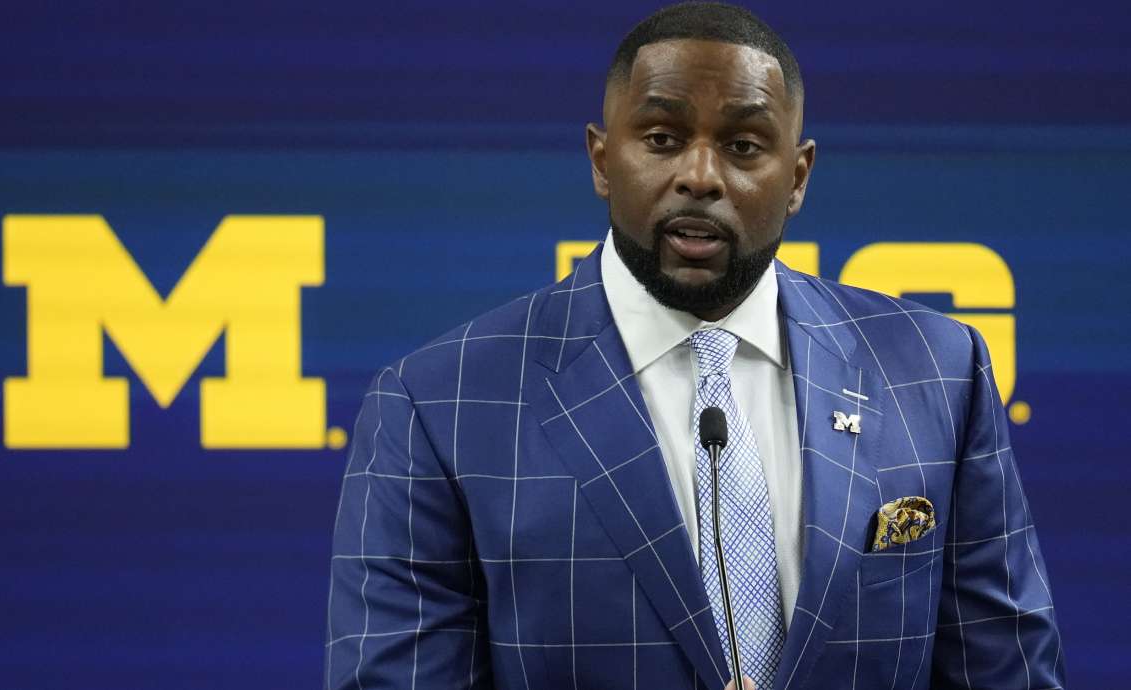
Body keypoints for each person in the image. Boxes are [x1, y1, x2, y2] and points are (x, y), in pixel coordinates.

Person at [323, 3, 1065, 688]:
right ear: (600, 159)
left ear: (798, 175)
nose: (700, 176)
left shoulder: (936, 372)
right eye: (662, 139)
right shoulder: (438, 406)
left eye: (743, 145)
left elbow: (1009, 674)